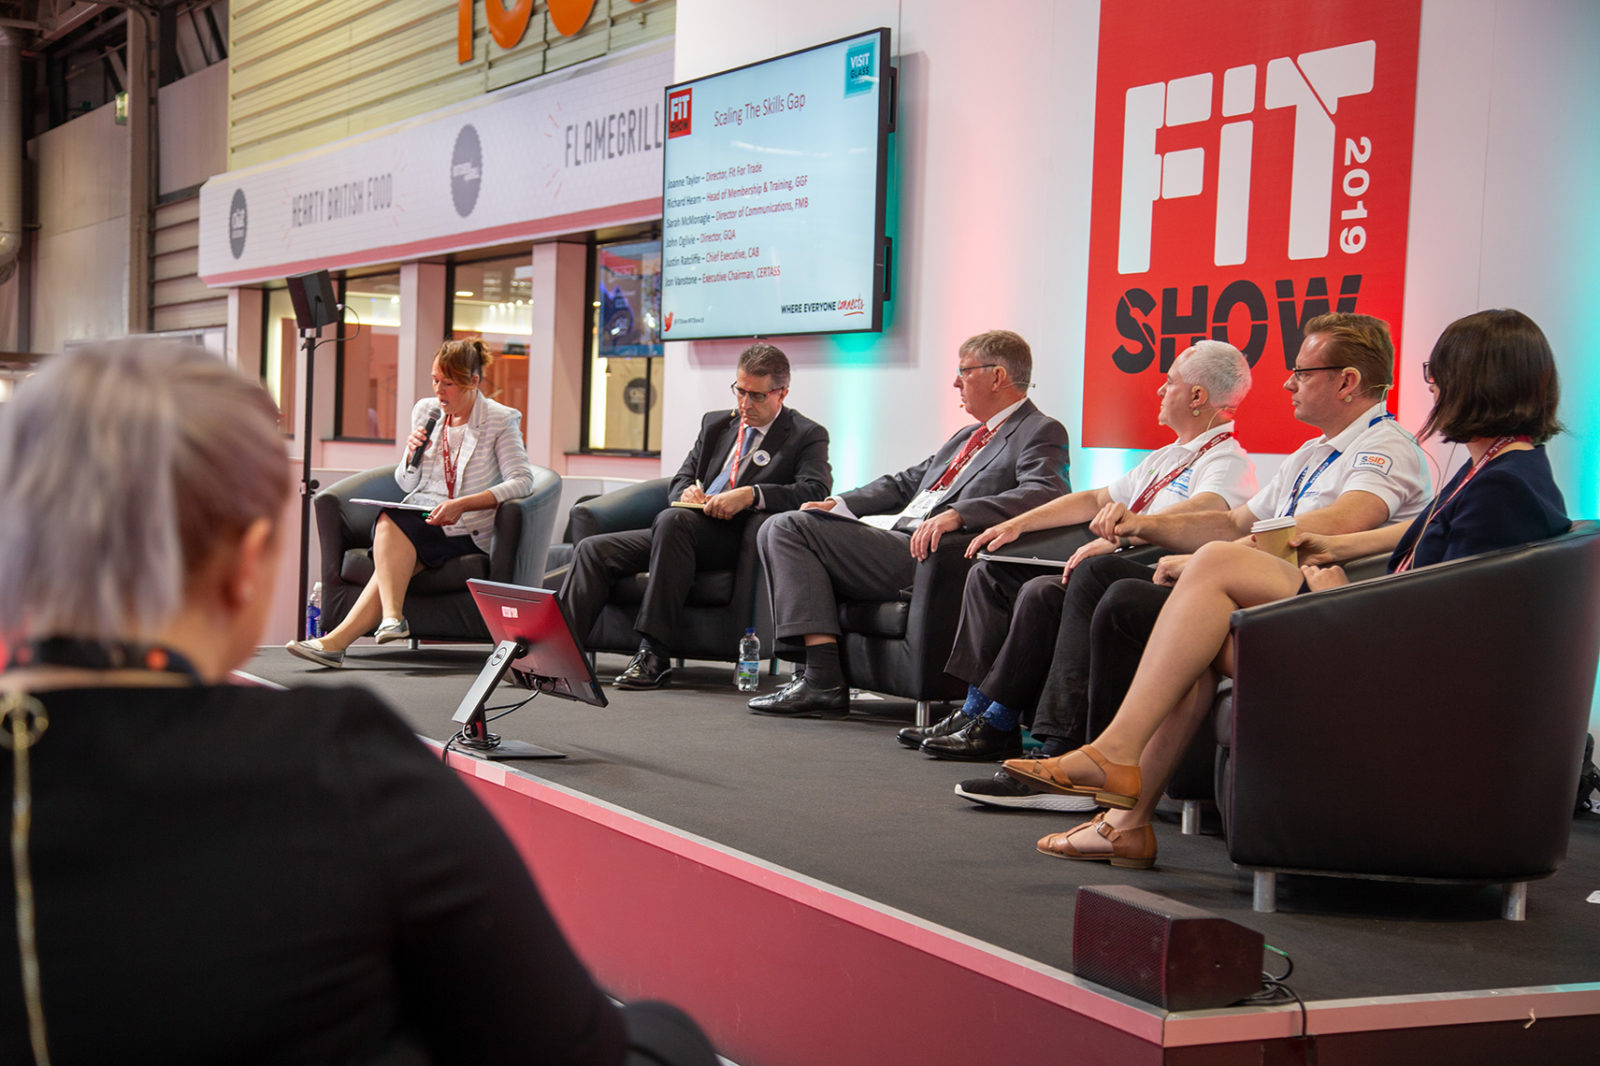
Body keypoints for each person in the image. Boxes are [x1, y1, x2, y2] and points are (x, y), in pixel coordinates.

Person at [0, 341, 714, 1064]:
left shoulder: (498, 422)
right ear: (246, 564)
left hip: (458, 528)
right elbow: (571, 1046)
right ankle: (381, 620)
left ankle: (367, 626)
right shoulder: (343, 767)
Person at [1005, 308, 1569, 867]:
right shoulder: (1488, 471)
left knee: (1210, 569)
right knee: (1192, 644)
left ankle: (1110, 757)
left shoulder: (1499, 485)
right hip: (1377, 629)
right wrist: (1153, 528)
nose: (1431, 386)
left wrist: (1337, 593)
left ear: (1476, 382)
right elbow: (1400, 540)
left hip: (1393, 656)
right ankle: (1124, 822)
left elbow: (1454, 621)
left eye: (1438, 373)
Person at [960, 311, 1433, 808]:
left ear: (1347, 382)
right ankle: (1075, 755)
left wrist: (1207, 558)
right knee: (1111, 589)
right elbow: (1233, 522)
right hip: (1261, 593)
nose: (1288, 383)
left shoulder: (1385, 446)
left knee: (1112, 584)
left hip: (1316, 606)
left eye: (1302, 372)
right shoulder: (1311, 453)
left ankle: (1074, 759)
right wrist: (1141, 526)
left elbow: (1342, 521)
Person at [905, 340, 1257, 763]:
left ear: (1197, 397)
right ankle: (975, 710)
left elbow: (1208, 511)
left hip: (1147, 571)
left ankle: (1007, 724)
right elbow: (1094, 499)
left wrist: (1127, 532)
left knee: (1041, 593)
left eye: (1170, 382)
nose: (1161, 391)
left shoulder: (1227, 460)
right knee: (991, 570)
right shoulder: (1167, 457)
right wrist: (1017, 524)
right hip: (1111, 560)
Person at [748, 329, 1072, 718]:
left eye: (964, 371)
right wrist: (841, 503)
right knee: (785, 524)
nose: (956, 383)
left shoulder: (1040, 430)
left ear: (997, 376)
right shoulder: (968, 436)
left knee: (787, 527)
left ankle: (821, 679)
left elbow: (1046, 491)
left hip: (934, 558)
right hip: (901, 543)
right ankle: (819, 674)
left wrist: (963, 513)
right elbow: (905, 483)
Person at [560, 343, 830, 689]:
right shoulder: (717, 424)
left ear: (782, 393)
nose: (745, 405)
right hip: (683, 530)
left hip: (738, 537)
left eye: (757, 396)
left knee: (673, 522)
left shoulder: (806, 434)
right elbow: (682, 477)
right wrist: (685, 493)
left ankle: (653, 654)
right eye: (740, 391)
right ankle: (558, 656)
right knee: (593, 550)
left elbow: (814, 490)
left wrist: (751, 494)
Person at [287, 338, 534, 666]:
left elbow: (522, 480)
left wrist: (463, 504)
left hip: (465, 528)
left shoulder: (500, 420)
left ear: (473, 382)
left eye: (448, 383)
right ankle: (374, 626)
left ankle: (347, 637)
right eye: (435, 380)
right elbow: (406, 483)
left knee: (391, 527)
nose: (439, 391)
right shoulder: (427, 412)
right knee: (392, 524)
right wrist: (411, 454)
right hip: (424, 518)